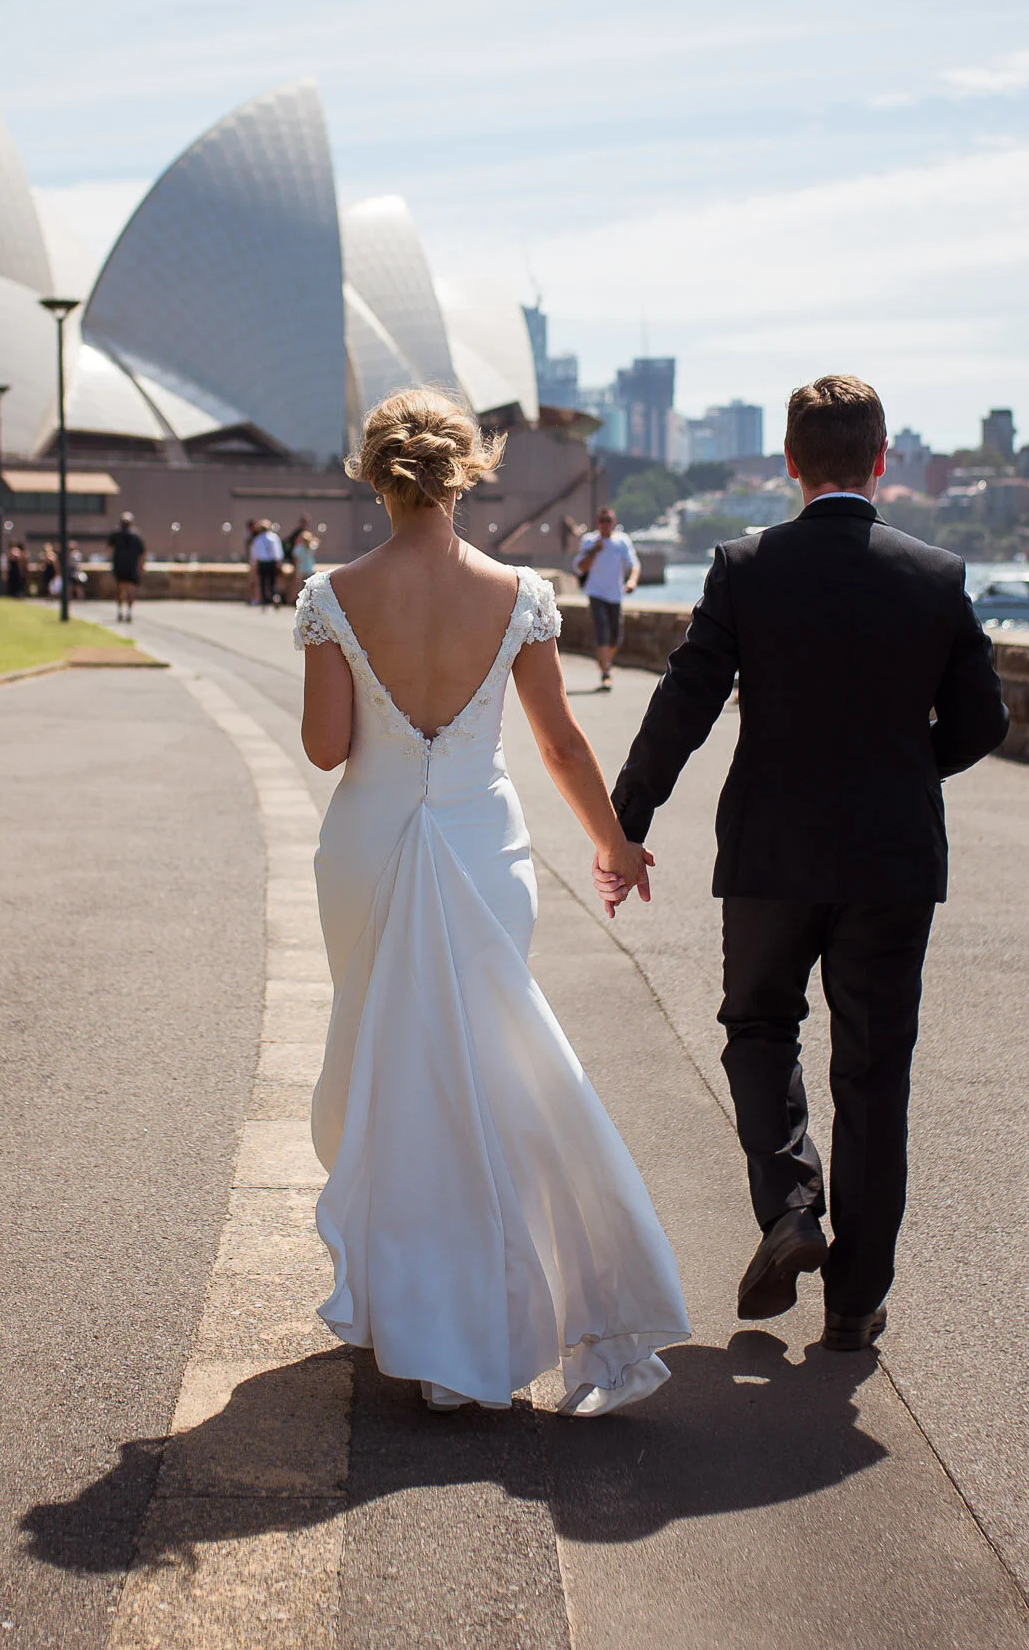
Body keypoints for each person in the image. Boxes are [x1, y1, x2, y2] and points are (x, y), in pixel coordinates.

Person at [295, 388, 688, 1415]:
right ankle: (480, 1306)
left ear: (375, 475)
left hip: (369, 844)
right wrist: (614, 843)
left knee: (387, 1058)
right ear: (464, 471)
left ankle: (411, 1299)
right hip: (482, 841)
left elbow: (327, 747)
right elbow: (558, 740)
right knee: (483, 1068)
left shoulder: (334, 593)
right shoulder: (518, 592)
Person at [601, 375, 1009, 1352]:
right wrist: (908, 767)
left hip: (771, 851)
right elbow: (984, 720)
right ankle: (857, 1304)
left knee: (758, 1024)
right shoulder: (936, 574)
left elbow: (684, 702)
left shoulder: (747, 565)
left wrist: (626, 822)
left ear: (789, 461)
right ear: (882, 463)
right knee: (875, 1076)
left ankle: (790, 1205)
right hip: (892, 859)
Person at [572, 506, 639, 689]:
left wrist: (632, 582)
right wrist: (594, 550)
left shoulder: (622, 541)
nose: (606, 525)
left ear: (614, 522)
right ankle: (605, 673)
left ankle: (605, 660)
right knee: (602, 631)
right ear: (597, 523)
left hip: (615, 595)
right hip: (596, 593)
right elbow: (580, 568)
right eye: (603, 521)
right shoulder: (589, 541)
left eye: (609, 521)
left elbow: (634, 565)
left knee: (615, 637)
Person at [108, 512, 146, 623]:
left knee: (121, 589)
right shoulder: (136, 536)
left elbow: (109, 548)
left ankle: (122, 611)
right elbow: (142, 554)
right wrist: (141, 567)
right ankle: (127, 612)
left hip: (121, 566)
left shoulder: (116, 534)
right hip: (130, 567)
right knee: (130, 590)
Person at [250, 518, 285, 605]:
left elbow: (254, 553)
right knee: (272, 583)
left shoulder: (258, 539)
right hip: (272, 562)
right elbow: (278, 551)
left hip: (262, 562)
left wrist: (253, 563)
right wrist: (279, 562)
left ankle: (264, 600)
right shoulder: (274, 537)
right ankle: (275, 597)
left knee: (262, 582)